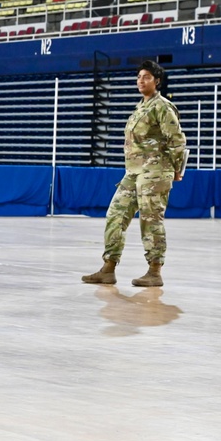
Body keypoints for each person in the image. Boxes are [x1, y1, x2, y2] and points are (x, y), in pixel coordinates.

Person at [82, 60, 186, 287]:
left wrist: (177, 170)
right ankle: (108, 268)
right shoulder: (141, 107)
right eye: (139, 77)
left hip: (155, 172)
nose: (141, 81)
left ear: (157, 81)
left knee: (150, 220)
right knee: (115, 215)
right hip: (133, 172)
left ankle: (154, 271)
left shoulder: (162, 107)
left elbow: (177, 141)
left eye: (146, 77)